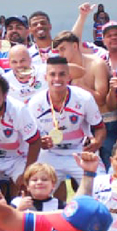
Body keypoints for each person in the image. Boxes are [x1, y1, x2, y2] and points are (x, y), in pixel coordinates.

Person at [26, 57, 104, 193]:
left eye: (62, 74)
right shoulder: (35, 103)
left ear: (69, 77)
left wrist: (97, 142)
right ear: (45, 77)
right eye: (52, 74)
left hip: (80, 151)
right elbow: (31, 137)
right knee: (36, 191)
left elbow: (100, 128)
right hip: (50, 154)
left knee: (101, 187)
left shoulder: (84, 98)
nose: (57, 79)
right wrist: (40, 142)